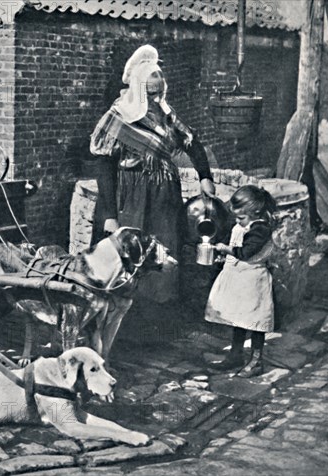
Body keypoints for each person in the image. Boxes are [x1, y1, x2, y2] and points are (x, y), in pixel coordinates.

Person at [90, 45, 215, 303]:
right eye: (151, 94)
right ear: (138, 89)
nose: (157, 98)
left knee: (163, 253)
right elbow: (104, 170)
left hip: (164, 199)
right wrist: (109, 216)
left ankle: (161, 315)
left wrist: (205, 176)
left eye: (159, 93)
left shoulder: (166, 115)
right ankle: (129, 320)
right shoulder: (118, 117)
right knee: (129, 253)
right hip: (131, 197)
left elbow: (193, 142)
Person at [205, 185, 277, 378]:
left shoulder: (260, 229)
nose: (237, 221)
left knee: (255, 321)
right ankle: (235, 355)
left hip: (253, 280)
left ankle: (256, 361)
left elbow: (245, 252)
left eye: (241, 218)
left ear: (255, 213)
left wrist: (226, 249)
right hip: (240, 278)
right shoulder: (246, 224)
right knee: (239, 318)